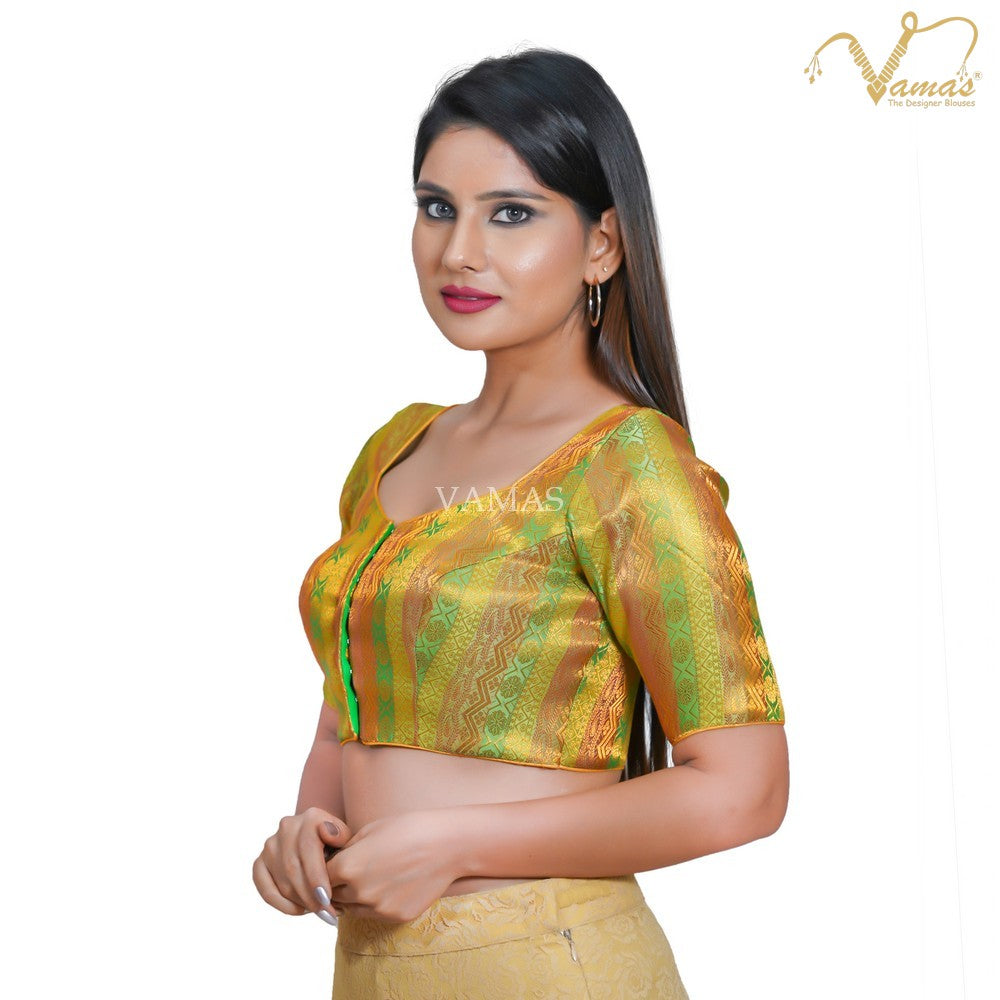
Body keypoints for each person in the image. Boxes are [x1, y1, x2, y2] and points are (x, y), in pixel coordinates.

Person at [253, 47, 788, 999]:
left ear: (602, 244)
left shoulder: (630, 465)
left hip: (549, 960)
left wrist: (455, 844)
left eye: (511, 213)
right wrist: (309, 829)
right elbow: (346, 724)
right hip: (373, 969)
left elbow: (744, 789)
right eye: (436, 208)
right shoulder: (394, 452)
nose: (459, 251)